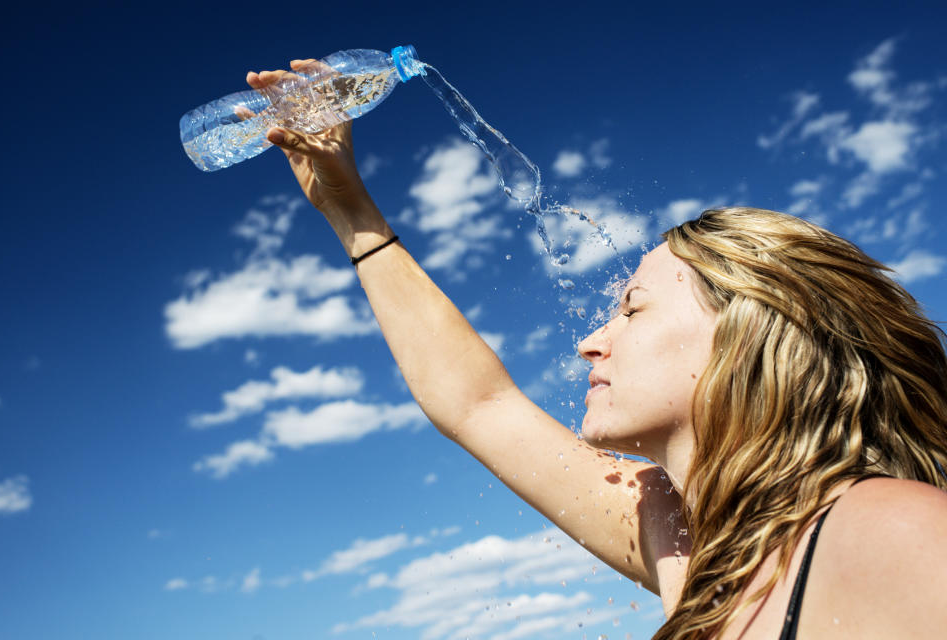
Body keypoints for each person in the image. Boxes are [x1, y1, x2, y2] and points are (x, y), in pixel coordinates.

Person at [246, 61, 947, 639]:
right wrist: (349, 212)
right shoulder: (688, 544)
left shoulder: (892, 533)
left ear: (752, 333)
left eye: (632, 310)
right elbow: (478, 405)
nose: (589, 344)